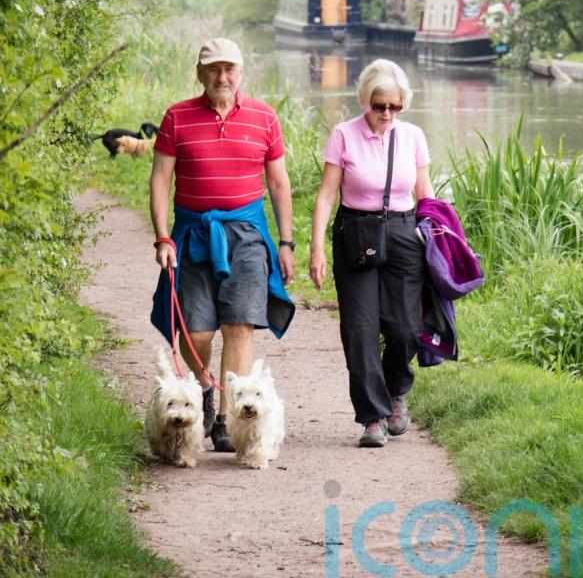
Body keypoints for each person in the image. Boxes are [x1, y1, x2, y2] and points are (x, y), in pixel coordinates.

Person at [150, 37, 295, 453]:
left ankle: (226, 419)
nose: (222, 76)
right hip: (193, 234)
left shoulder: (264, 117)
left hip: (247, 236)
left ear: (241, 72)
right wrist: (162, 236)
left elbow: (278, 183)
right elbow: (160, 178)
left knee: (239, 325)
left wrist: (286, 242)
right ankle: (205, 392)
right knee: (196, 331)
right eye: (213, 69)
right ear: (201, 73)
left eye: (229, 68)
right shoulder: (177, 116)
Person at [309, 58, 433, 448]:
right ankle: (372, 417)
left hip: (403, 233)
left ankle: (396, 390)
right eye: (379, 105)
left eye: (395, 106)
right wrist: (316, 248)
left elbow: (425, 193)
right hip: (356, 231)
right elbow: (327, 195)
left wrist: (439, 239)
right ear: (365, 100)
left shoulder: (412, 137)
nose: (387, 113)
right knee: (360, 329)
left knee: (405, 327)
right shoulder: (344, 135)